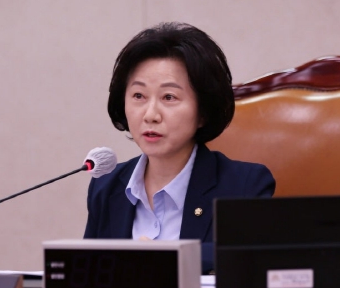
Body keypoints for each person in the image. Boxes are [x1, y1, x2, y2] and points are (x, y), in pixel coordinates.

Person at [83, 22, 275, 273]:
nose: (150, 115)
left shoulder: (244, 185)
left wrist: (166, 257)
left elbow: (252, 259)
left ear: (203, 112)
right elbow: (87, 277)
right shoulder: (106, 187)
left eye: (169, 97)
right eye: (139, 96)